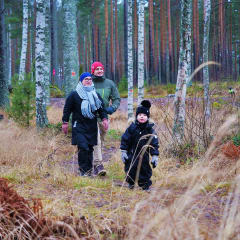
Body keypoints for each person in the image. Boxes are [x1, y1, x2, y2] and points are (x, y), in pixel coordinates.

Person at [62, 72, 109, 176]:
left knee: (89, 148)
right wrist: (65, 122)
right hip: (78, 125)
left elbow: (101, 109)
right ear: (81, 81)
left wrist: (104, 119)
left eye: (90, 79)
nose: (88, 81)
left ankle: (88, 171)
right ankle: (83, 171)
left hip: (91, 125)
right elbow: (67, 109)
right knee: (83, 147)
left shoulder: (95, 94)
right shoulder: (74, 94)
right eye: (86, 79)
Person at [120, 100, 159, 191]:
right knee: (130, 169)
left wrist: (154, 156)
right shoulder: (132, 128)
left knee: (145, 170)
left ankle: (145, 185)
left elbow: (154, 144)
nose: (142, 116)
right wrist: (123, 151)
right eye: (140, 115)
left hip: (144, 155)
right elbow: (125, 139)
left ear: (148, 117)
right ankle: (131, 183)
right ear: (136, 116)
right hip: (132, 154)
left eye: (145, 115)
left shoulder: (150, 130)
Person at [91, 61, 121, 176]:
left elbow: (117, 99)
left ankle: (94, 163)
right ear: (93, 71)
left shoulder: (109, 83)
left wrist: (111, 108)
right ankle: (99, 165)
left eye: (101, 68)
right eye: (97, 69)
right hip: (91, 117)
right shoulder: (89, 82)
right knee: (96, 141)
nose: (99, 70)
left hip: (104, 118)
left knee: (101, 142)